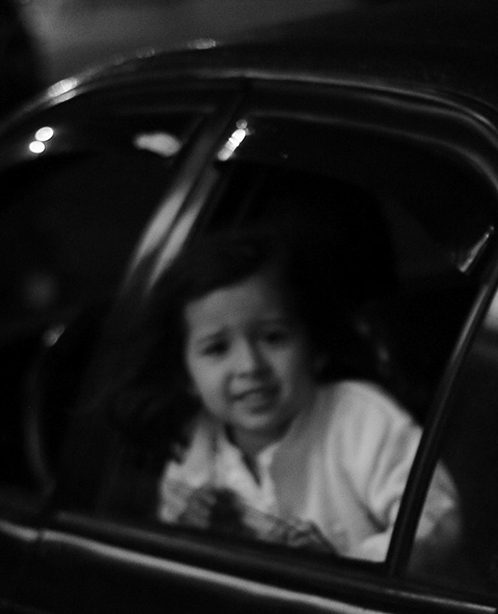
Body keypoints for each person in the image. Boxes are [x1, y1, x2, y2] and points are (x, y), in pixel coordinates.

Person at [110, 229, 459, 563]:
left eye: (274, 337)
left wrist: (342, 566)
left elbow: (438, 521)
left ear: (316, 345)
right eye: (217, 348)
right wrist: (192, 530)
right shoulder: (192, 442)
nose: (250, 365)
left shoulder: (360, 419)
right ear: (184, 373)